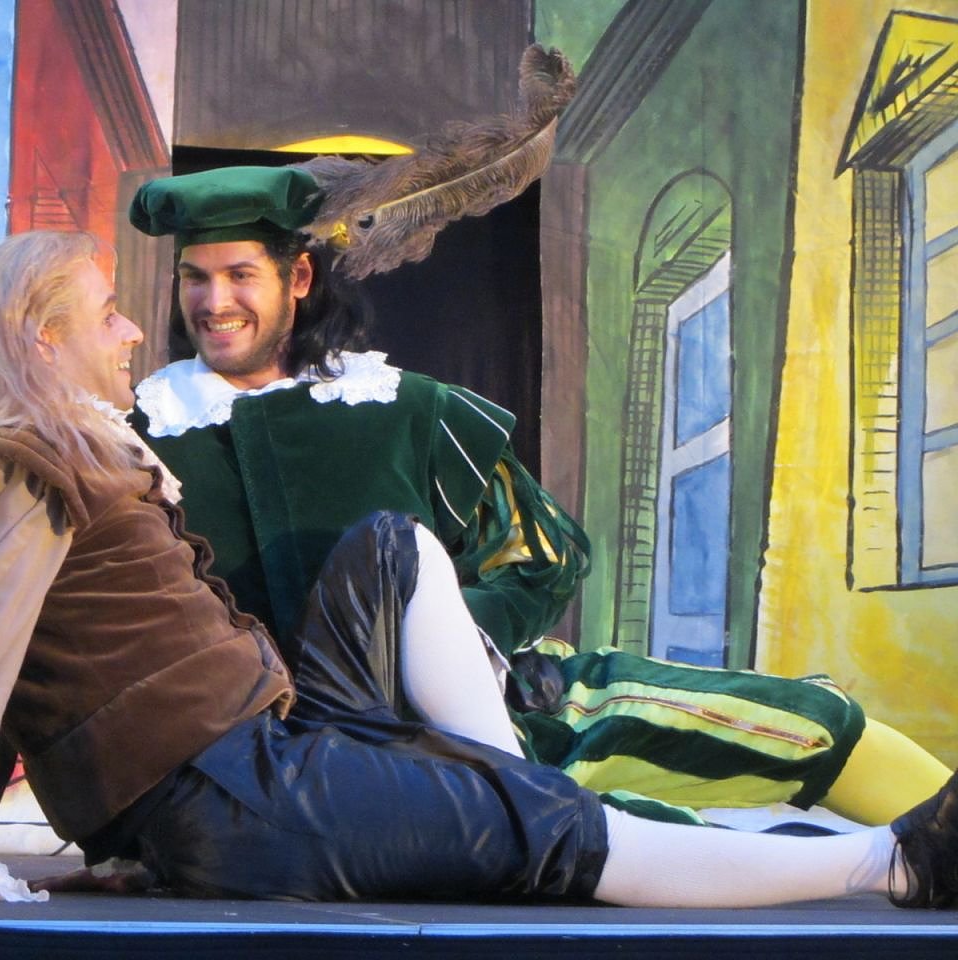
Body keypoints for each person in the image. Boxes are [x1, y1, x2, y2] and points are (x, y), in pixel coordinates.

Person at [0, 228, 956, 907]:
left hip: (266, 734)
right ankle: (893, 866)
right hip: (231, 795)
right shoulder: (16, 462)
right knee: (566, 839)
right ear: (40, 338)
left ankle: (511, 784)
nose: (138, 330)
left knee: (390, 544)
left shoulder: (76, 450)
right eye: (109, 313)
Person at [127, 165, 951, 828]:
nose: (214, 303)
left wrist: (445, 650)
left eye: (240, 275)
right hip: (292, 773)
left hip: (517, 709)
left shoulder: (403, 409)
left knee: (802, 723)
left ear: (298, 277)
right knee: (628, 850)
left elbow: (545, 558)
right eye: (196, 278)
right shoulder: (140, 442)